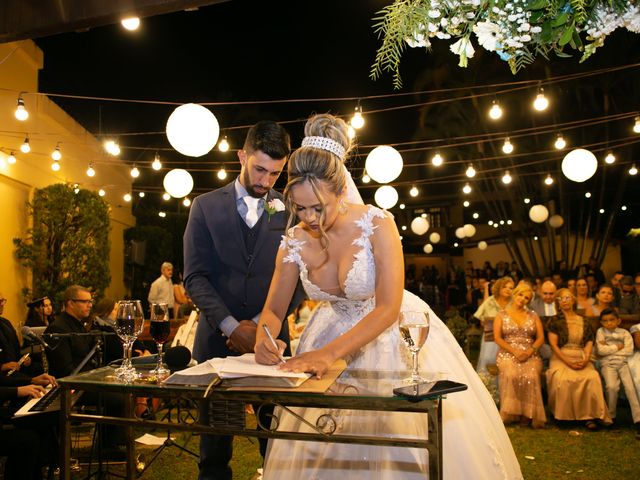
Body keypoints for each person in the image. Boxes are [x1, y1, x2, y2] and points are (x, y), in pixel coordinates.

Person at [254, 113, 522, 479]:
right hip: (327, 333)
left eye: (318, 208)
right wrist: (263, 337)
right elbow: (272, 308)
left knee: (398, 440)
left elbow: (388, 307)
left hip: (393, 336)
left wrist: (328, 355)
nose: (309, 218)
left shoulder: (377, 223)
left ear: (339, 190)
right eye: (299, 208)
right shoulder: (294, 240)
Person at [183, 120, 304, 480]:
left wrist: (262, 324)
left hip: (272, 346)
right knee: (215, 451)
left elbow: (298, 279)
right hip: (216, 345)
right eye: (259, 169)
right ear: (242, 156)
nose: (266, 182)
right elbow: (195, 277)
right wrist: (233, 327)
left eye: (275, 174)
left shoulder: (292, 210)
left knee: (277, 442)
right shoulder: (204, 207)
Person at [45, 285, 126, 453]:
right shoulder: (58, 328)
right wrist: (95, 379)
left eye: (91, 301)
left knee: (123, 388)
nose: (90, 305)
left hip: (85, 380)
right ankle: (108, 447)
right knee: (117, 398)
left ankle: (113, 442)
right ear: (70, 303)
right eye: (85, 302)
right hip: (72, 386)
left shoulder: (80, 325)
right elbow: (65, 370)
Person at [546, 288, 611, 430]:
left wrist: (586, 357)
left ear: (573, 300)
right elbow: (553, 345)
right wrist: (567, 361)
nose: (564, 301)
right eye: (561, 299)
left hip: (581, 355)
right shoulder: (555, 321)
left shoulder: (584, 320)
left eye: (567, 297)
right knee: (563, 379)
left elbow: (589, 341)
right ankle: (564, 417)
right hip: (561, 356)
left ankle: (589, 416)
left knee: (591, 377)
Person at [493, 283, 546, 428]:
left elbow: (541, 338)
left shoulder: (533, 316)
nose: (522, 299)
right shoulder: (501, 315)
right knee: (512, 374)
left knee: (531, 375)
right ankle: (512, 413)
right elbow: (497, 338)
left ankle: (528, 414)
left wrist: (529, 351)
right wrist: (514, 351)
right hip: (507, 352)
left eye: (526, 298)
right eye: (520, 295)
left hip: (530, 353)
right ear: (514, 294)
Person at [595, 308, 640, 433]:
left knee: (630, 388)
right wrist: (617, 347)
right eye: (605, 321)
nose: (609, 323)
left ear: (618, 321)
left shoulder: (624, 333)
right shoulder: (600, 332)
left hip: (622, 363)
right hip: (607, 364)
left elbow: (629, 350)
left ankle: (638, 419)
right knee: (611, 387)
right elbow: (600, 350)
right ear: (601, 323)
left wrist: (610, 349)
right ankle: (611, 417)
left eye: (612, 320)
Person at [474, 276, 514, 378]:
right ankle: (489, 389)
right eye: (505, 287)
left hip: (510, 339)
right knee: (488, 361)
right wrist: (485, 322)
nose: (508, 290)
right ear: (499, 288)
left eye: (511, 288)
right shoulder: (490, 301)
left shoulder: (515, 302)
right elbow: (480, 318)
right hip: (491, 337)